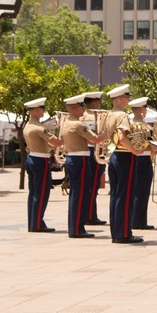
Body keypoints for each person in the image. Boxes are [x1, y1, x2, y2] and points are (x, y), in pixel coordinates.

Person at [101, 84, 146, 244]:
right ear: (120, 99)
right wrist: (135, 150)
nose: (128, 100)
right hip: (124, 156)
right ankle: (123, 233)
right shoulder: (122, 116)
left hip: (114, 156)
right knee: (125, 196)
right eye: (126, 98)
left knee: (116, 196)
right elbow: (122, 137)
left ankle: (117, 231)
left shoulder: (108, 115)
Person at [61, 94, 102, 238]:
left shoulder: (66, 122)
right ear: (75, 108)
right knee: (81, 195)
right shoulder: (77, 124)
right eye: (81, 107)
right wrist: (109, 132)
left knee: (75, 195)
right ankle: (77, 229)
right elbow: (95, 139)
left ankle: (75, 227)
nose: (83, 110)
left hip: (72, 158)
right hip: (80, 159)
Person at [24, 97, 61, 232]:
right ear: (34, 111)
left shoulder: (28, 126)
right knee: (41, 193)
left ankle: (34, 222)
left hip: (32, 158)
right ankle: (37, 224)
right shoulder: (39, 128)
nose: (43, 111)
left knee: (34, 192)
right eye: (41, 109)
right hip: (41, 161)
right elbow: (57, 142)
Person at [128, 97, 157, 230]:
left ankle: (136, 219)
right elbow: (142, 144)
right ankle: (138, 220)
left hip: (137, 158)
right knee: (141, 191)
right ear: (140, 111)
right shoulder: (141, 126)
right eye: (144, 109)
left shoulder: (133, 124)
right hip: (142, 158)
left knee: (137, 190)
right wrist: (154, 147)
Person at [82, 91, 107, 227]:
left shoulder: (83, 116)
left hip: (90, 150)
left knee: (91, 184)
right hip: (94, 149)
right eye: (98, 102)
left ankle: (90, 214)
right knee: (93, 184)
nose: (100, 104)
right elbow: (94, 136)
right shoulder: (94, 116)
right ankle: (90, 215)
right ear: (94, 103)